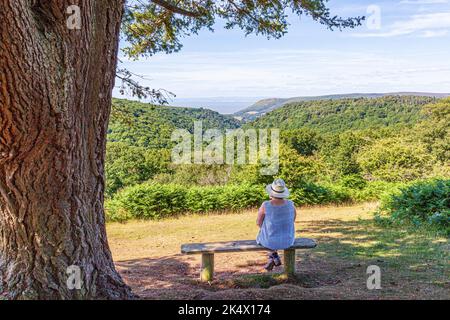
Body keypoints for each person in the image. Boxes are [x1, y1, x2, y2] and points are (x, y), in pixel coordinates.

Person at [256, 179, 297, 271]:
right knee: (272, 235)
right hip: (288, 240)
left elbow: (258, 223)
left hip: (269, 241)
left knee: (265, 236)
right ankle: (273, 257)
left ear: (271, 193)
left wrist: (269, 228)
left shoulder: (266, 205)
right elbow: (293, 219)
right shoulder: (291, 204)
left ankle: (273, 256)